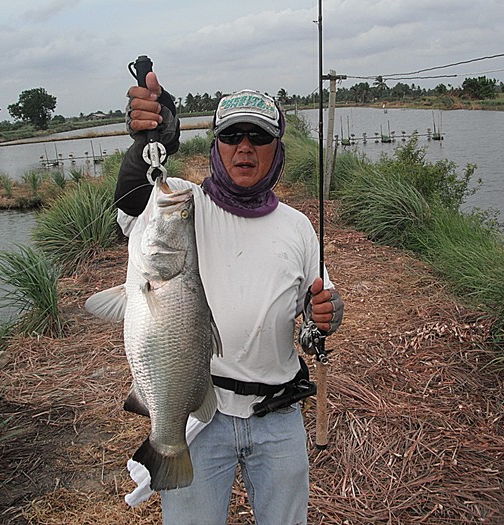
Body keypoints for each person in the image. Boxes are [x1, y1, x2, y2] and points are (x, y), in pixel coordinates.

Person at [114, 71, 344, 525]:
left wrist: (325, 315)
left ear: (277, 148)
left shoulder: (298, 227)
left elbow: (315, 309)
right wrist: (148, 144)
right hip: (200, 414)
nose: (244, 146)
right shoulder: (179, 201)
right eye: (231, 135)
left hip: (278, 418)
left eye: (258, 136)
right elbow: (131, 203)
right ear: (215, 145)